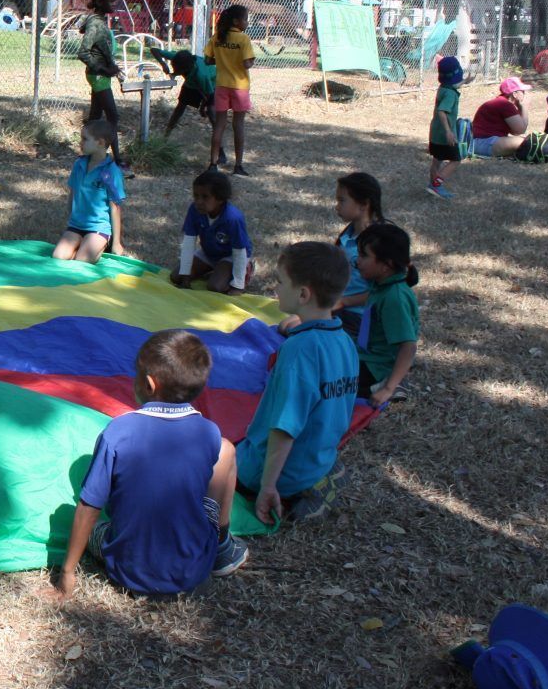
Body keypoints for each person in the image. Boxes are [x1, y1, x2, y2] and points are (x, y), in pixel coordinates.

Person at [57, 330, 248, 598]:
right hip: (194, 569)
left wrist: (67, 572)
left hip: (129, 569)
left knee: (92, 529)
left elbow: (89, 507)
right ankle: (221, 546)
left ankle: (215, 545)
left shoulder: (118, 432)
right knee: (227, 450)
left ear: (148, 384)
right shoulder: (208, 433)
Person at [236, 242, 359, 525]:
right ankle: (310, 481)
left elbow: (285, 427)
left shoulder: (299, 350)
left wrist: (267, 487)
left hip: (273, 473)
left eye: (280, 282)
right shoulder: (344, 342)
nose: (275, 288)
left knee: (215, 453)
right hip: (319, 461)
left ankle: (288, 491)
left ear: (303, 294)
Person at [354, 222, 420, 408]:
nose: (357, 260)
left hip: (376, 369)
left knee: (323, 378)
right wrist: (343, 302)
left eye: (363, 256)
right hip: (367, 355)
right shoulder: (385, 284)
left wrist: (388, 388)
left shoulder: (394, 299)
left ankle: (393, 385)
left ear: (386, 265)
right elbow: (371, 299)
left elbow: (408, 346)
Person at [53, 121, 125, 263]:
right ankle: (83, 248)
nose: (80, 142)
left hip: (98, 227)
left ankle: (101, 246)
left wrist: (116, 242)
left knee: (82, 261)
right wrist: (71, 218)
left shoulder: (111, 171)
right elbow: (72, 193)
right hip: (76, 225)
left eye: (85, 139)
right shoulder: (79, 164)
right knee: (58, 257)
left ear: (100, 142)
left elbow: (115, 208)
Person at [172, 168, 253, 294]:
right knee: (176, 277)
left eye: (205, 197)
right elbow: (189, 241)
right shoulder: (194, 210)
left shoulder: (233, 218)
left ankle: (246, 268)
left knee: (215, 287)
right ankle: (215, 270)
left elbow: (239, 251)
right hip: (208, 252)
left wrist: (238, 285)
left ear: (220, 198)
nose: (199, 202)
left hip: (230, 256)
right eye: (196, 196)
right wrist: (185, 274)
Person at [75, 0, 128, 172]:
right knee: (113, 115)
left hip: (101, 75)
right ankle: (116, 159)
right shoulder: (96, 24)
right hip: (98, 76)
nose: (115, 4)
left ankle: (88, 153)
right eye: (111, 1)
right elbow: (83, 52)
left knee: (95, 117)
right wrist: (104, 69)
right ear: (100, 2)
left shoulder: (98, 21)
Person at [206, 5, 256, 175]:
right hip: (240, 86)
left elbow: (207, 60)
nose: (247, 22)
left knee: (219, 125)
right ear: (236, 21)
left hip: (221, 85)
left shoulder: (217, 37)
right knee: (238, 125)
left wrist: (222, 61)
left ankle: (213, 164)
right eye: (245, 19)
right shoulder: (243, 39)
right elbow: (247, 63)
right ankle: (238, 165)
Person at [154, 47, 221, 156]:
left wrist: (202, 106)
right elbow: (154, 50)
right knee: (180, 108)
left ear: (185, 69)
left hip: (213, 84)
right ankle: (165, 136)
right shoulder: (179, 59)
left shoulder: (201, 75)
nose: (174, 71)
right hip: (191, 83)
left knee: (211, 113)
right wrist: (163, 63)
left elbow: (208, 94)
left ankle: (220, 149)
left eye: (177, 70)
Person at [469, 77, 534, 158]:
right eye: (523, 92)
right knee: (525, 143)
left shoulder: (503, 102)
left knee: (525, 141)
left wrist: (520, 108)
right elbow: (520, 130)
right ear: (514, 94)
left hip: (481, 142)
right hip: (483, 142)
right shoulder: (505, 105)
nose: (525, 94)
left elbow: (515, 131)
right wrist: (524, 107)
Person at [428, 56, 465, 198]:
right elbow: (442, 111)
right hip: (445, 135)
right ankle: (436, 185)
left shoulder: (443, 88)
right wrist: (449, 131)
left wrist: (465, 81)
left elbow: (453, 84)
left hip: (435, 133)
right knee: (456, 160)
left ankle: (432, 185)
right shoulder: (450, 94)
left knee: (437, 160)